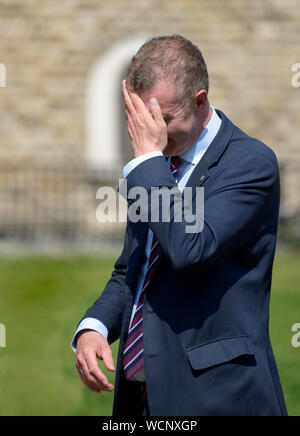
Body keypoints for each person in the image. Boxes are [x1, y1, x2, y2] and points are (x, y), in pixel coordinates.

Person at [72, 35, 288, 416]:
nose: (149, 132)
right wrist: (96, 326)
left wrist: (148, 163)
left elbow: (190, 249)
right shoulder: (156, 168)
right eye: (140, 117)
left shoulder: (250, 164)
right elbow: (132, 271)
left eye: (163, 119)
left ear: (200, 102)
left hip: (217, 396)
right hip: (138, 397)